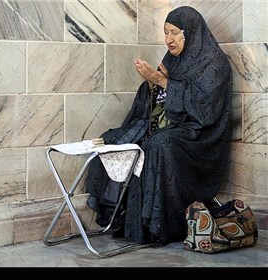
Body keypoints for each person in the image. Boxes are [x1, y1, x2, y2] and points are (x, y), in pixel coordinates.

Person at [85, 6, 233, 245]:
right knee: (123, 141)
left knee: (158, 144)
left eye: (174, 32)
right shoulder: (172, 60)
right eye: (165, 32)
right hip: (172, 128)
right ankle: (133, 222)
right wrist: (153, 85)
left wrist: (163, 81)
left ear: (190, 32)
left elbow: (206, 111)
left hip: (200, 137)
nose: (168, 40)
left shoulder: (215, 63)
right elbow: (159, 101)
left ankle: (156, 225)